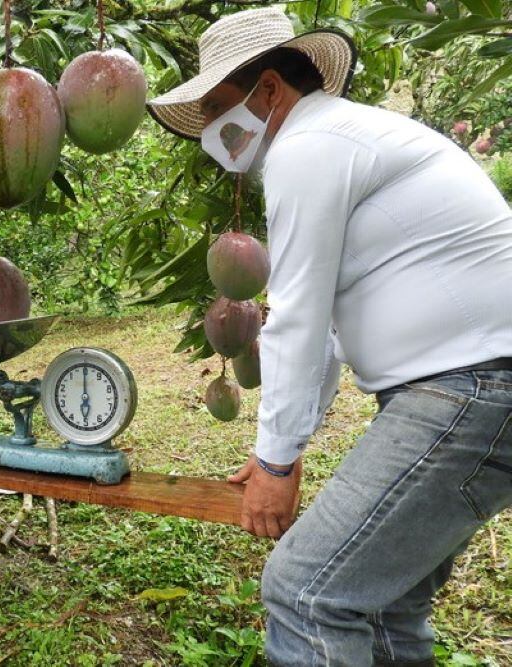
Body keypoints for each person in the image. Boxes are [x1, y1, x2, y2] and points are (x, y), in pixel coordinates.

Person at [149, 8, 512, 667]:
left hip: (470, 386)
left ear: (267, 90)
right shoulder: (339, 140)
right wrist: (276, 454)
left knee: (305, 591)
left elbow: (294, 318)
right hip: (471, 386)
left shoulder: (311, 147)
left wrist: (280, 463)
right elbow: (320, 333)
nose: (209, 129)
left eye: (216, 106)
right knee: (383, 600)